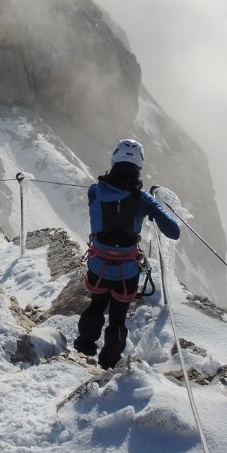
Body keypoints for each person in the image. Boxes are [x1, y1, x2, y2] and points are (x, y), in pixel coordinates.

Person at [73, 138, 181, 370]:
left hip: (98, 265)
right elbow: (174, 231)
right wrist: (153, 208)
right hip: (126, 271)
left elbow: (103, 200)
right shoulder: (143, 200)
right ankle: (108, 362)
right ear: (139, 165)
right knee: (118, 318)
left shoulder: (95, 191)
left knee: (96, 305)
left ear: (114, 160)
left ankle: (84, 347)